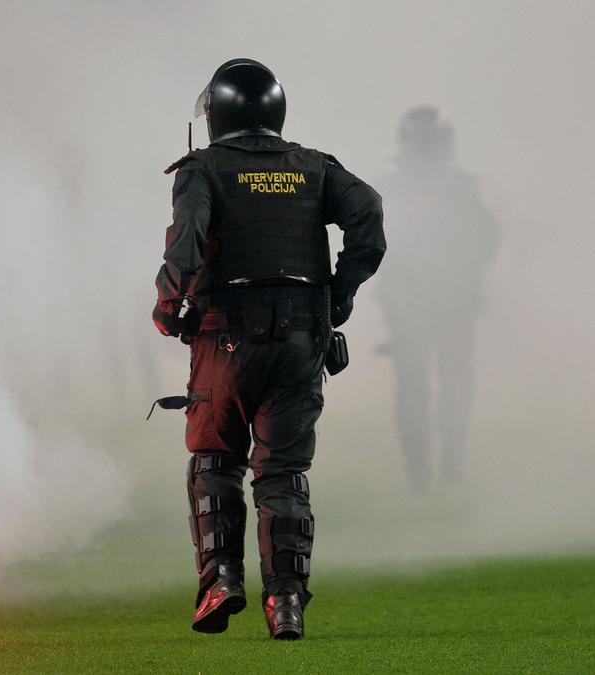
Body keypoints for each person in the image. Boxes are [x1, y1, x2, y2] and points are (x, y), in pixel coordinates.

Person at [152, 59, 385, 639]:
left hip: (224, 340)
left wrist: (166, 306)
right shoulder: (316, 168)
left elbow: (187, 244)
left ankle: (220, 580)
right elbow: (369, 217)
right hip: (302, 340)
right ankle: (286, 603)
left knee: (214, 462)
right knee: (282, 473)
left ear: (215, 114)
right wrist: (338, 294)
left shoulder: (202, 170)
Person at [374, 106, 500, 493]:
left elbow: (484, 239)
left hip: (428, 302)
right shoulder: (458, 187)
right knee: (444, 387)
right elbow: (487, 239)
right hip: (436, 302)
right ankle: (441, 469)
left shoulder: (393, 188)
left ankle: (428, 472)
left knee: (425, 389)